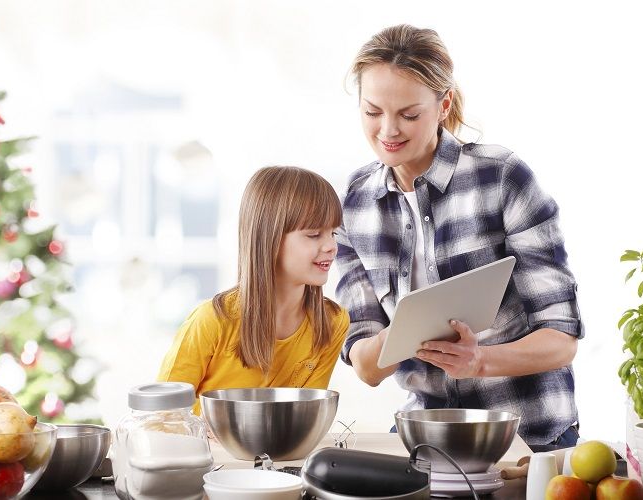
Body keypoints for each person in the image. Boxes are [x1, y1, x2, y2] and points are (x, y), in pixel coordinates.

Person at [335, 24, 583, 448]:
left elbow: (560, 339)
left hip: (528, 436)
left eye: (409, 114)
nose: (388, 130)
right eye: (372, 112)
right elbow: (365, 367)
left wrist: (480, 360)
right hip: (425, 438)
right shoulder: (355, 205)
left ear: (443, 104)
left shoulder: (501, 177)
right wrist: (408, 329)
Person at [159, 166, 349, 413]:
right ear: (269, 238)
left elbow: (305, 414)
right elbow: (162, 409)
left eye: (333, 233)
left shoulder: (332, 323)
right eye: (314, 234)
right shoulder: (212, 321)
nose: (332, 246)